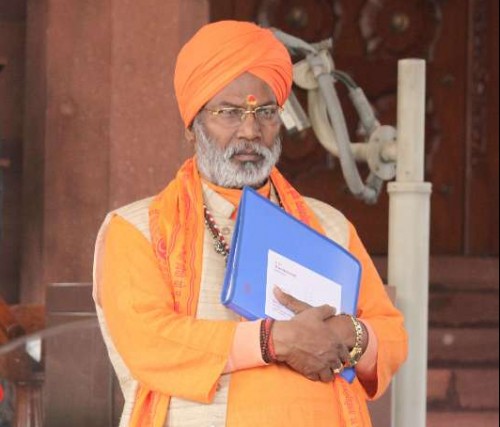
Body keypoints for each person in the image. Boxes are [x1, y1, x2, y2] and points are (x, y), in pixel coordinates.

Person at [93, 20, 408, 427]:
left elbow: (392, 337)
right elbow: (149, 342)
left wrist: (351, 333)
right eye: (228, 112)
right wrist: (275, 340)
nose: (250, 130)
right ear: (192, 125)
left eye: (265, 112)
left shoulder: (330, 225)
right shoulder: (137, 228)